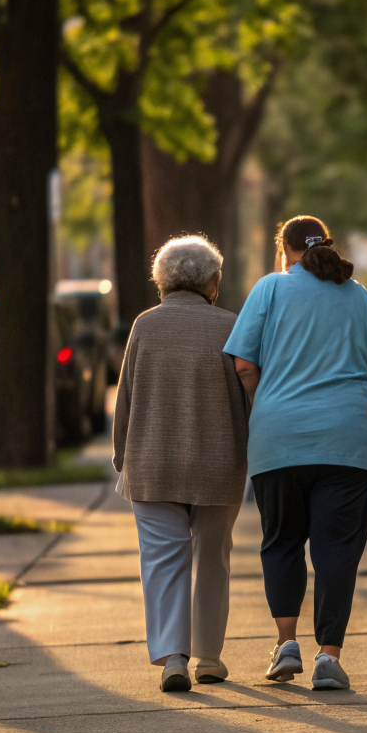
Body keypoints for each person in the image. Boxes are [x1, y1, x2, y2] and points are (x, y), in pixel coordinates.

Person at [224, 215, 367, 691]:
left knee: (281, 542)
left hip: (279, 438)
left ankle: (286, 644)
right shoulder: (358, 295)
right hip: (347, 441)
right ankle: (329, 656)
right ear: (325, 245)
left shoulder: (269, 290)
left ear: (284, 252)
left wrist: (267, 406)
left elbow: (243, 364)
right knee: (337, 550)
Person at [112, 235, 248, 692]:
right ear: (212, 282)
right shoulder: (231, 326)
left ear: (162, 281)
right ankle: (209, 656)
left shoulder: (145, 327)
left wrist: (120, 455)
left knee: (162, 560)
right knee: (214, 557)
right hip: (218, 462)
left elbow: (125, 398)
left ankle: (174, 656)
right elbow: (247, 398)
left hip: (152, 463)